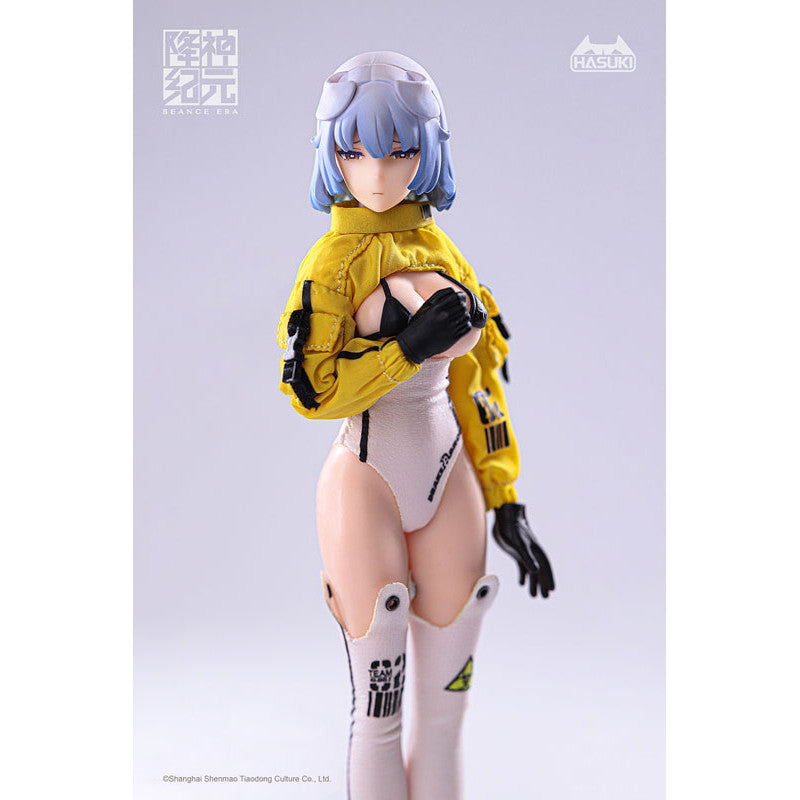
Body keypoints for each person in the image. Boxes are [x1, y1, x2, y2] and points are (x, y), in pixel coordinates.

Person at [277, 51, 555, 800]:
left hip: (449, 472)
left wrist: (506, 498)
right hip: (365, 480)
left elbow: (478, 380)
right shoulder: (330, 266)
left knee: (444, 718)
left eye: (399, 149)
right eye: (354, 150)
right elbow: (312, 391)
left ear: (429, 150)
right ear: (331, 153)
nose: (377, 172)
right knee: (380, 715)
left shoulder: (443, 252)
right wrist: (403, 350)